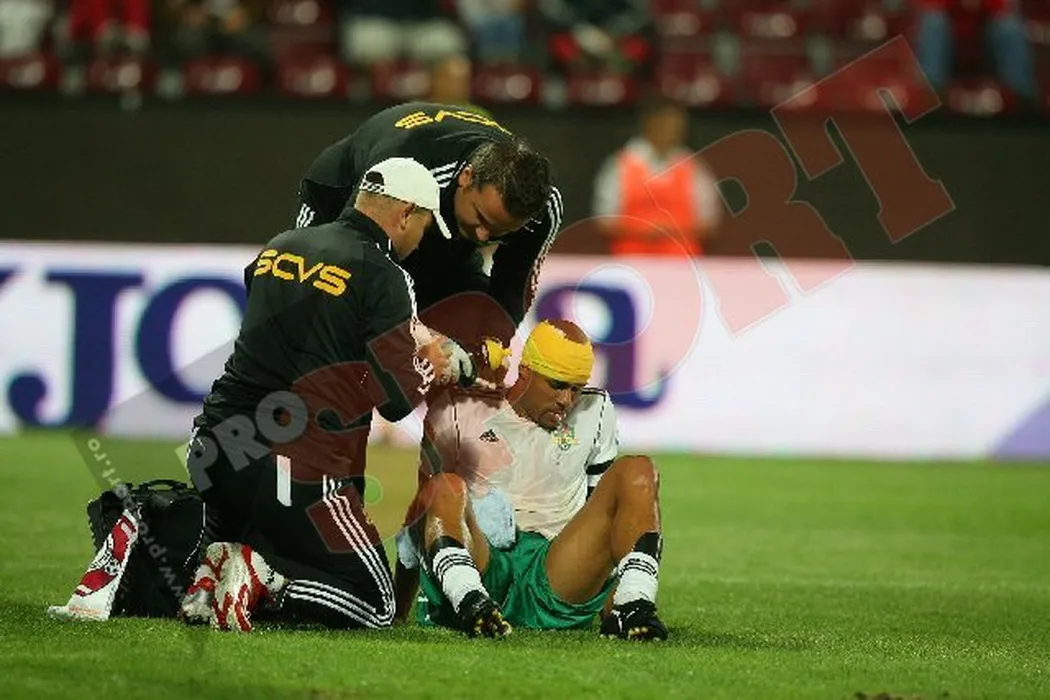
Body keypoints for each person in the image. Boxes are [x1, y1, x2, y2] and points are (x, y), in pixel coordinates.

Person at [179, 157, 475, 632]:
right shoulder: (384, 273)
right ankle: (265, 580)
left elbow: (303, 328)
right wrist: (430, 365)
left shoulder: (280, 246)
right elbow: (394, 400)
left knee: (283, 542)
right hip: (295, 466)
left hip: (215, 449)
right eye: (424, 225)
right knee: (376, 604)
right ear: (405, 214)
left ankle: (214, 575)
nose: (421, 241)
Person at [393, 319, 668, 641]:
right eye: (557, 384)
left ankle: (635, 605)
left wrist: (614, 598)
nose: (567, 400)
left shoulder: (596, 410)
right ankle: (470, 601)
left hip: (557, 571)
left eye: (577, 388)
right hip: (485, 564)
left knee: (638, 471)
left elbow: (605, 517)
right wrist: (399, 608)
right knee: (443, 486)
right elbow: (422, 511)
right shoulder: (458, 409)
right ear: (525, 372)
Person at [294, 102, 561, 358]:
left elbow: (514, 287)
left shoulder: (542, 209)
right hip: (341, 201)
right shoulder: (407, 168)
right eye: (481, 218)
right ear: (466, 177)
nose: (483, 236)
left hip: (440, 232)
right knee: (324, 318)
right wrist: (421, 337)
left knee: (474, 332)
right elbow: (361, 265)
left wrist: (487, 346)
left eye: (501, 231)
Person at [592, 94, 721, 257]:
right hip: (630, 263)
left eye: (676, 124)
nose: (671, 130)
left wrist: (670, 232)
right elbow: (604, 221)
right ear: (649, 122)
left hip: (683, 265)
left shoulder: (694, 167)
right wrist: (644, 232)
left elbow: (709, 223)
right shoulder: (619, 165)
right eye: (664, 122)